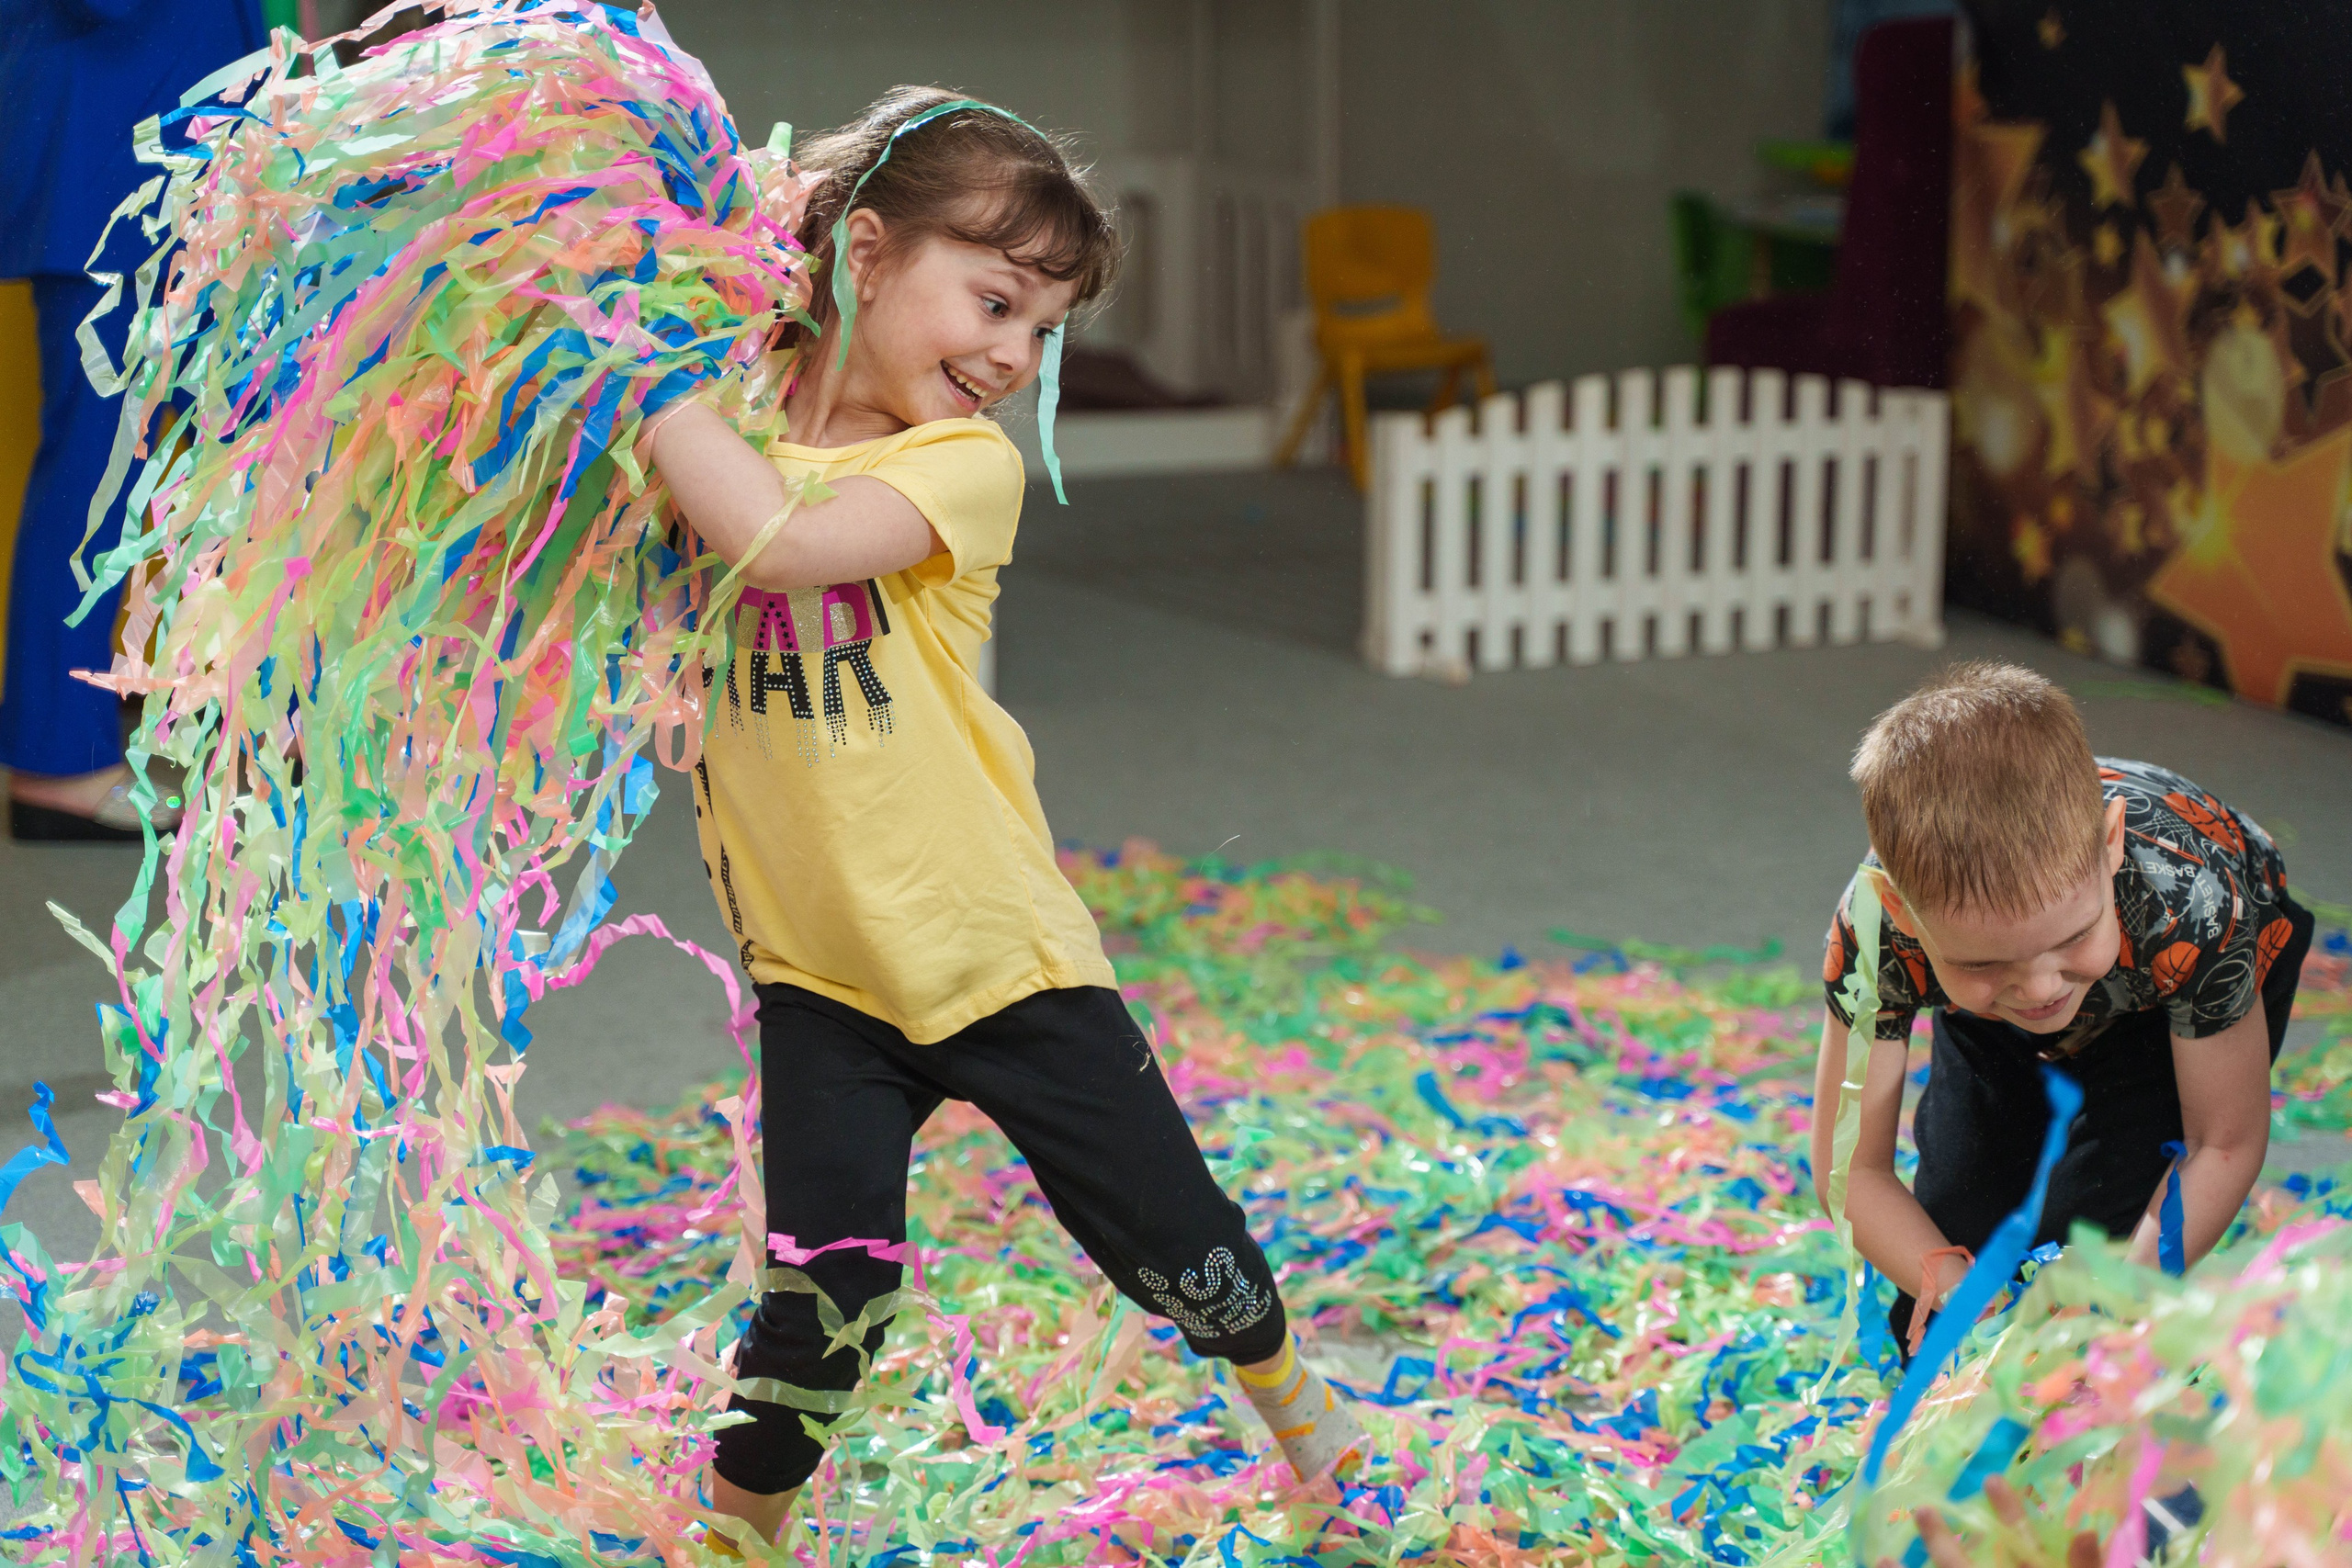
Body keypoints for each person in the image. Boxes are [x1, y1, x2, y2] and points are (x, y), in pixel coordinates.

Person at [641, 86, 1366, 1550]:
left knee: (1181, 1247)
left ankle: (1308, 1421)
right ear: (862, 250)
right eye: (993, 300)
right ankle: (736, 1534)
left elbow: (781, 544)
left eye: (1041, 329)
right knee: (823, 1294)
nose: (1013, 357)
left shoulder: (958, 467)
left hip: (997, 957)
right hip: (821, 974)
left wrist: (635, 393)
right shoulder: (729, 408)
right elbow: (656, 551)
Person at [1808, 662, 2312, 1355]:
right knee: (1959, 1227)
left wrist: (2111, 1308)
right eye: (1983, 960)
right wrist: (1954, 1291)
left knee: (2086, 1242)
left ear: (2109, 848)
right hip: (1992, 1014)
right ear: (1905, 914)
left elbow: (2220, 1144)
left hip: (2163, 987)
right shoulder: (1874, 933)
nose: (2041, 987)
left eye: (2070, 937)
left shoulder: (2193, 903)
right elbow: (1851, 1171)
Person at [0, 0, 264, 839]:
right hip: (118, 166)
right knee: (98, 469)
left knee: (203, 451)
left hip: (175, 159)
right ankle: (56, 761)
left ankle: (191, 709)